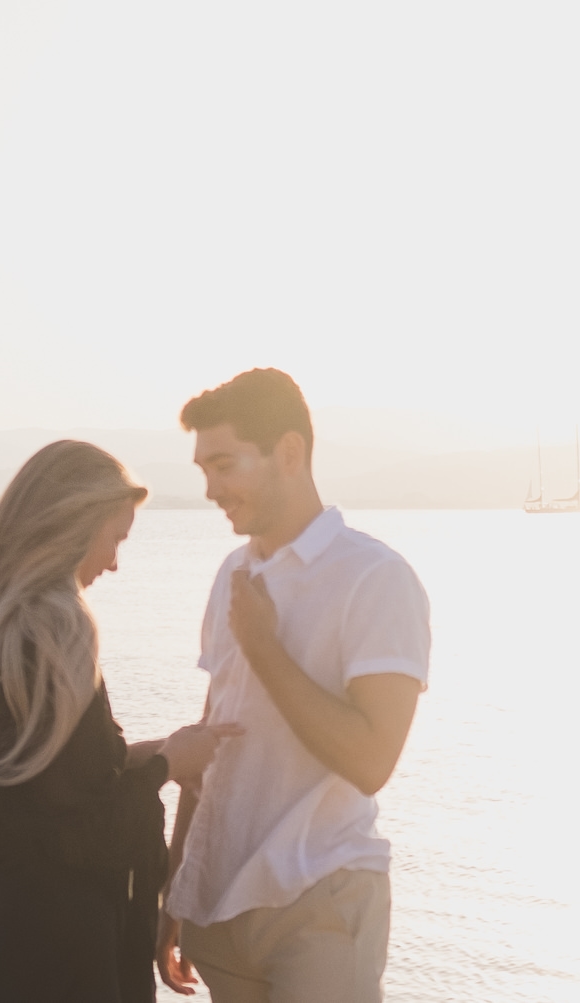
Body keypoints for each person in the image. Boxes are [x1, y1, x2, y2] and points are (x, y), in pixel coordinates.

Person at [0, 439, 240, 1003]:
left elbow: (29, 787)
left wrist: (158, 749)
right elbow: (80, 827)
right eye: (115, 538)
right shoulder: (56, 628)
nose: (114, 563)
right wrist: (170, 765)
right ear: (71, 525)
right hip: (69, 949)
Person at [157, 369, 432, 1003]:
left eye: (224, 465)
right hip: (221, 911)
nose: (210, 489)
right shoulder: (233, 573)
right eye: (203, 470)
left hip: (321, 900)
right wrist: (176, 889)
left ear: (289, 452)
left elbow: (370, 762)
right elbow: (210, 742)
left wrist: (263, 646)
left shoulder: (376, 580)